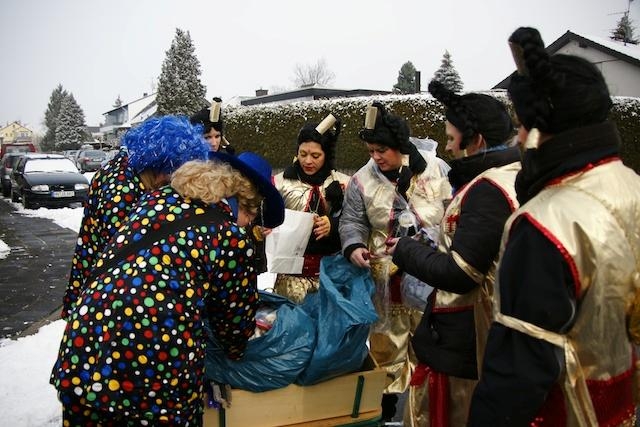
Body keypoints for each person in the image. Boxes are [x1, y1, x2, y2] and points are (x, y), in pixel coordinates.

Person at [468, 27, 640, 426]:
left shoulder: (542, 224)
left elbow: (517, 375)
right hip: (622, 405)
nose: (517, 137)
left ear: (539, 131)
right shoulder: (631, 184)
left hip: (566, 412)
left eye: (521, 124)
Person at [50, 151, 286, 426]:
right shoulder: (229, 235)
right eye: (251, 219)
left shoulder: (156, 200)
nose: (246, 226)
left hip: (83, 351)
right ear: (243, 205)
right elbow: (234, 328)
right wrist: (240, 347)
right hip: (153, 369)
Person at [385, 79, 520, 426]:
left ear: (475, 141)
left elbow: (462, 272)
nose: (446, 147)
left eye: (449, 138)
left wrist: (406, 250)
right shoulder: (513, 176)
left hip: (471, 332)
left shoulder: (487, 189)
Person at [339, 102, 451, 421]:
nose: (375, 157)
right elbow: (352, 220)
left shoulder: (435, 170)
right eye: (371, 151)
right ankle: (386, 414)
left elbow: (452, 212)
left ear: (400, 146)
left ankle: (428, 414)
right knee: (385, 351)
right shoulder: (362, 180)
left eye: (381, 150)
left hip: (430, 277)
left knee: (431, 351)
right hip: (385, 282)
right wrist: (354, 246)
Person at [62, 115, 210, 319]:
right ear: (161, 165)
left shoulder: (125, 168)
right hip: (108, 305)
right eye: (176, 172)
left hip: (102, 295)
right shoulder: (122, 192)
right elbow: (128, 259)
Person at [272, 113, 350, 303]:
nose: (308, 161)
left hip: (332, 276)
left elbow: (357, 223)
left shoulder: (344, 184)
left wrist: (333, 225)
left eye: (315, 156)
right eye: (303, 154)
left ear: (326, 155)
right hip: (290, 278)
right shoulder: (280, 183)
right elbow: (262, 219)